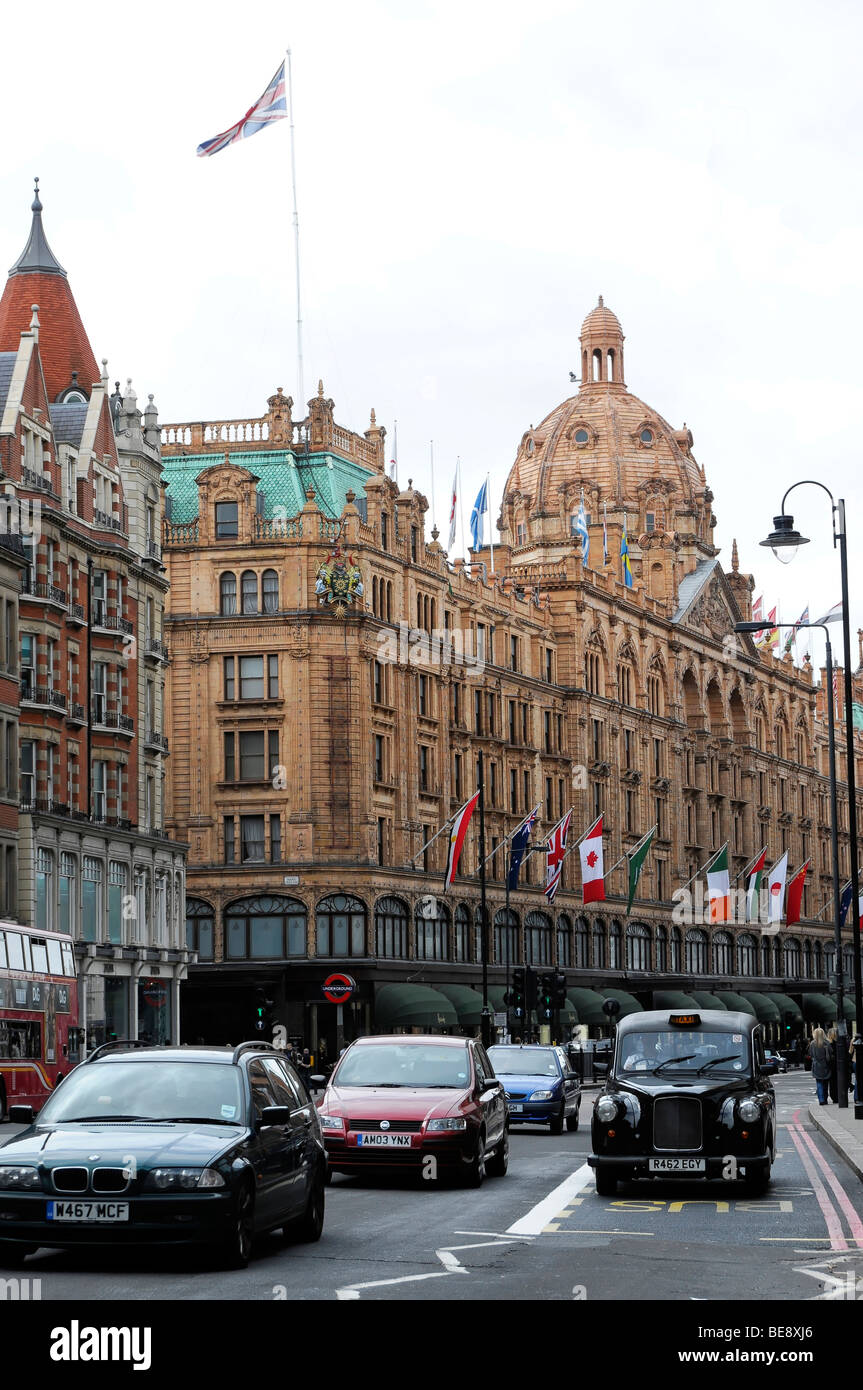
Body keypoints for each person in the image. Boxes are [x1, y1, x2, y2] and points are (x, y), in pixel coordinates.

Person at [809, 1028, 833, 1105]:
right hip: (825, 1065)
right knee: (825, 1083)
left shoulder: (812, 1043)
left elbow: (811, 1054)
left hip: (816, 1066)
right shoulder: (827, 1043)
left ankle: (821, 1099)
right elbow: (831, 1053)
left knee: (819, 1083)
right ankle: (825, 1099)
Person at [826, 1026, 839, 1102]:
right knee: (836, 1081)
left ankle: (834, 1096)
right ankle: (836, 1096)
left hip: (831, 1066)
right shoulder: (838, 1043)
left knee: (832, 1082)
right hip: (837, 1066)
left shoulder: (828, 1044)